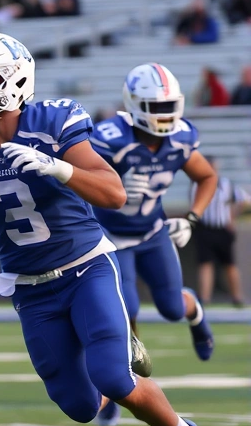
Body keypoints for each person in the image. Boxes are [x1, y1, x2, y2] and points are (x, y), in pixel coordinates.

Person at [0, 31, 221, 426]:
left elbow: (114, 192)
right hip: (30, 286)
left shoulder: (53, 122)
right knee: (80, 405)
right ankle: (115, 347)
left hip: (86, 266)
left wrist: (58, 167)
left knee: (114, 378)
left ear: (13, 81)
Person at [89, 63, 217, 367]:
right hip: (112, 237)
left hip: (152, 232)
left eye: (169, 106)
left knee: (173, 308)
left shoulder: (181, 138)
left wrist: (191, 219)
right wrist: (113, 183)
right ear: (135, 104)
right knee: (125, 307)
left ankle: (195, 312)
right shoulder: (111, 139)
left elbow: (207, 177)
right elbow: (78, 182)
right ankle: (127, 367)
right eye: (156, 106)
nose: (164, 114)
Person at [193, 156, 250, 307]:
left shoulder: (226, 185)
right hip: (205, 229)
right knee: (205, 263)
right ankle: (205, 298)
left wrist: (233, 216)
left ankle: (237, 297)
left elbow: (244, 200)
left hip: (223, 229)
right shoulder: (197, 183)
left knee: (230, 264)